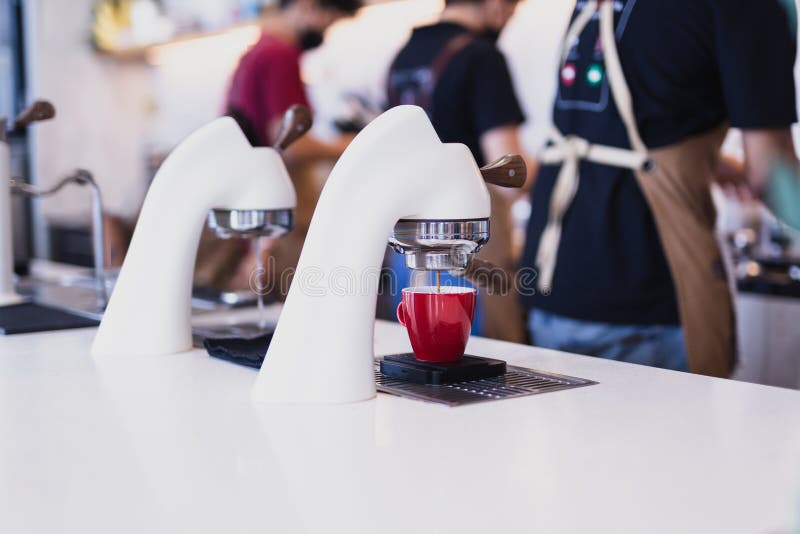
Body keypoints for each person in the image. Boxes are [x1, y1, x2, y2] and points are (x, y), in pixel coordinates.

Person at [521, 0, 798, 375]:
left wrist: (703, 161)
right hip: (643, 301)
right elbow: (771, 173)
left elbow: (629, 119)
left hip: (552, 291)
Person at [385, 0, 534, 343]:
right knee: (485, 356)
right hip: (469, 237)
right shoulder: (482, 57)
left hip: (407, 242)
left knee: (418, 351)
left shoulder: (402, 57)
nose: (511, 16)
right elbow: (510, 172)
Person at [195, 0, 361, 295]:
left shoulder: (255, 53)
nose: (327, 29)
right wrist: (350, 145)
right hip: (280, 218)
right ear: (307, 6)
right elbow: (290, 145)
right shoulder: (279, 56)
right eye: (330, 18)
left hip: (255, 211)